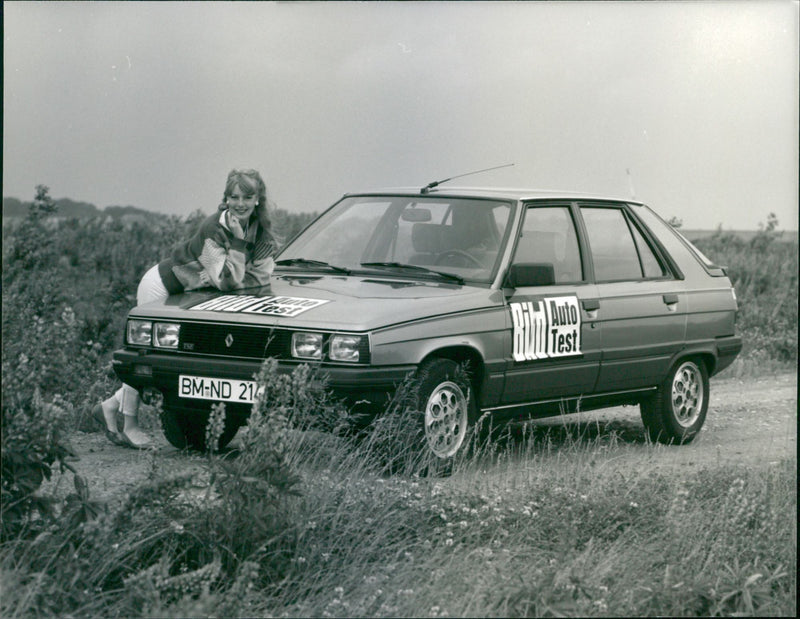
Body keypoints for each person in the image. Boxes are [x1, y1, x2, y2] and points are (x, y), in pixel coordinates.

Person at [93, 168, 278, 448]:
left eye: (247, 196)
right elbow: (224, 281)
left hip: (191, 294)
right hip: (164, 285)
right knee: (145, 354)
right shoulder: (213, 227)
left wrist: (236, 276)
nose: (240, 203)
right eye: (234, 196)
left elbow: (262, 276)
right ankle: (129, 424)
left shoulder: (262, 233)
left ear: (258, 199)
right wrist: (239, 247)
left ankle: (109, 406)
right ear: (226, 198)